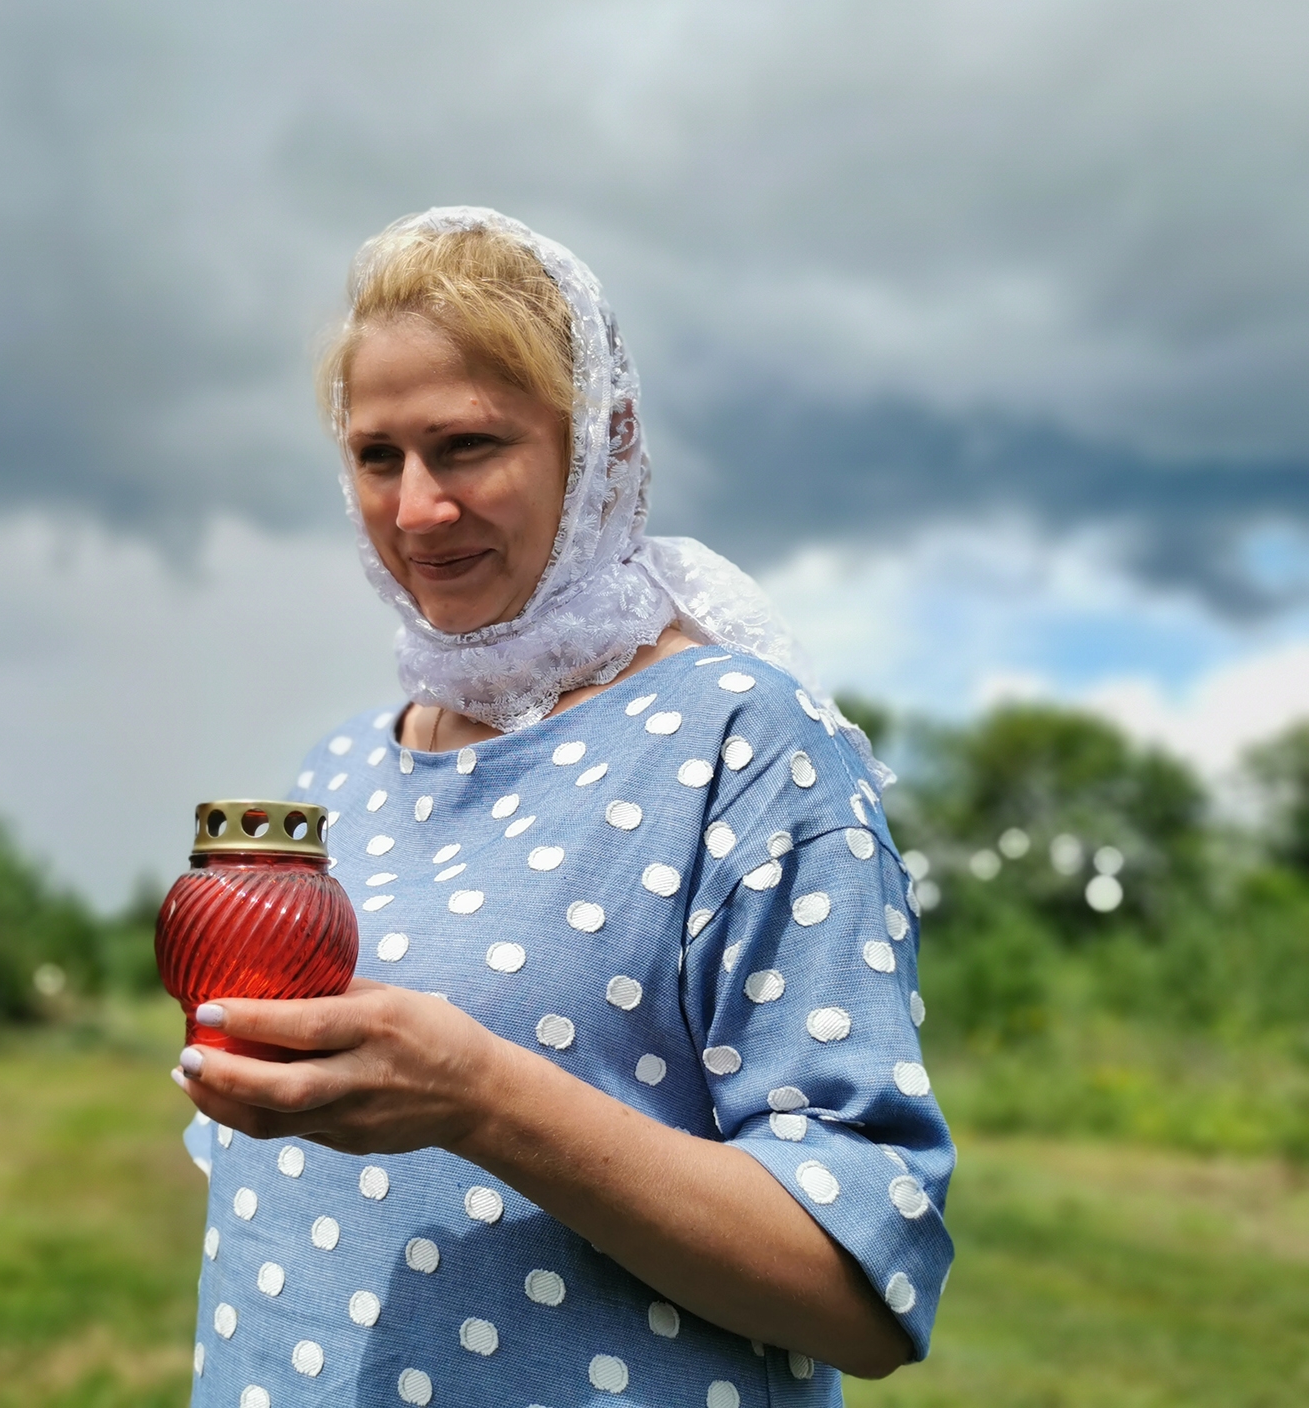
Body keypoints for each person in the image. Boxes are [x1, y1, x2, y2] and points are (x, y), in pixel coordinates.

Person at [172, 207, 952, 1407]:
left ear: (597, 441)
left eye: (466, 446)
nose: (416, 509)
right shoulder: (336, 775)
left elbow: (861, 1291)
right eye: (376, 457)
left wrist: (480, 1099)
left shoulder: (745, 745)